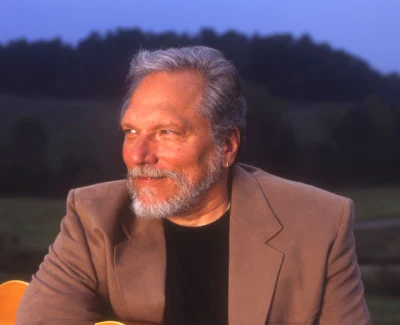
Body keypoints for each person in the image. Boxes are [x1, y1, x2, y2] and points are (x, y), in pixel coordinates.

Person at [16, 46, 371, 325]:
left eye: (167, 133)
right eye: (131, 132)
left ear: (226, 146)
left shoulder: (321, 222)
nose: (138, 155)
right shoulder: (91, 215)